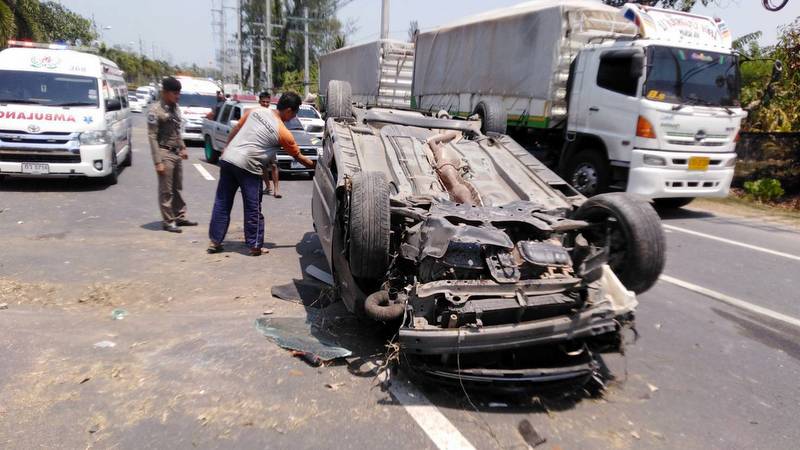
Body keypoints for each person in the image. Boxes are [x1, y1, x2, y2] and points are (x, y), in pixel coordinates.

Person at [207, 92, 315, 256]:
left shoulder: (254, 111)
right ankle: (255, 245)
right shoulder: (283, 132)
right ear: (288, 110)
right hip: (248, 166)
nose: (293, 117)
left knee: (222, 202)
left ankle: (215, 241)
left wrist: (226, 148)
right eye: (294, 113)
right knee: (253, 207)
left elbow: (236, 128)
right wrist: (317, 166)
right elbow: (299, 157)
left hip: (228, 159)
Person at [148, 76, 198, 233]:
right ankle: (168, 221)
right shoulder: (155, 110)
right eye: (175, 93)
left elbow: (177, 130)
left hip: (176, 153)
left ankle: (179, 217)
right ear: (165, 92)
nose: (178, 96)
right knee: (166, 190)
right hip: (164, 153)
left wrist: (182, 147)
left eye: (179, 93)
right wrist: (158, 161)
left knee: (177, 187)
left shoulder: (175, 108)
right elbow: (152, 136)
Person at [258, 91, 281, 198]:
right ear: (259, 102)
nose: (266, 104)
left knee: (274, 165)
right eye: (263, 102)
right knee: (263, 167)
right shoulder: (256, 113)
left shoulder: (273, 113)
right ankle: (268, 187)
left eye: (267, 102)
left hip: (270, 143)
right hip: (260, 144)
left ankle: (276, 189)